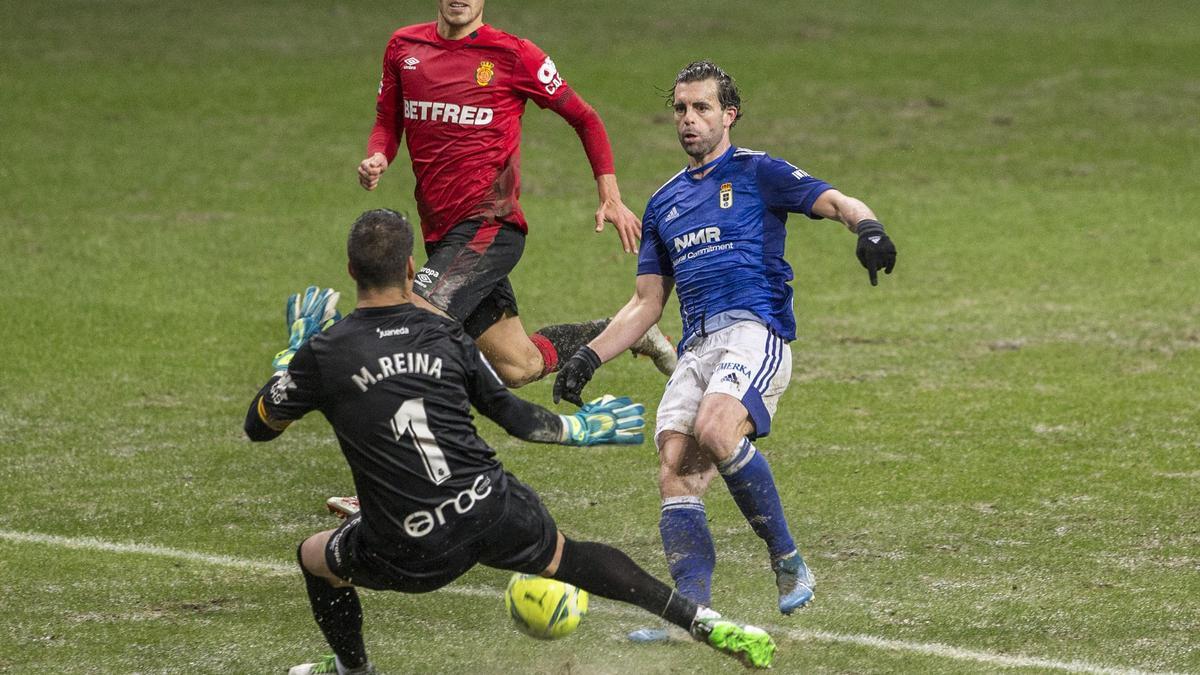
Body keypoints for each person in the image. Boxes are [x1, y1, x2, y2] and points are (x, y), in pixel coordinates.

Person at [244, 209, 779, 673]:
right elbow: (512, 414)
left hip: (410, 543)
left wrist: (291, 357)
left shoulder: (326, 352)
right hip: (489, 506)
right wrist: (580, 429)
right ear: (412, 271)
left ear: (350, 271)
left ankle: (352, 669)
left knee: (315, 557)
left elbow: (260, 426)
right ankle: (698, 618)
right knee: (570, 558)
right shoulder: (446, 334)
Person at [553, 61, 898, 639]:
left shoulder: (759, 172)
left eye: (702, 108)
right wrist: (590, 355)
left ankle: (789, 562)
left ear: (728, 115)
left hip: (754, 330)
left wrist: (869, 229)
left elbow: (838, 201)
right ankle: (691, 610)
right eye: (681, 110)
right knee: (675, 475)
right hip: (698, 346)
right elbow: (645, 304)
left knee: (717, 430)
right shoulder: (663, 203)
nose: (689, 120)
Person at [356, 0, 676, 389]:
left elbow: (585, 118)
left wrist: (609, 193)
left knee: (414, 315)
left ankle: (317, 354)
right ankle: (628, 332)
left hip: (490, 226)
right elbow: (387, 121)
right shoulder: (403, 47)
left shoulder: (514, 54)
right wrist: (378, 155)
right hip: (442, 235)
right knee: (517, 366)